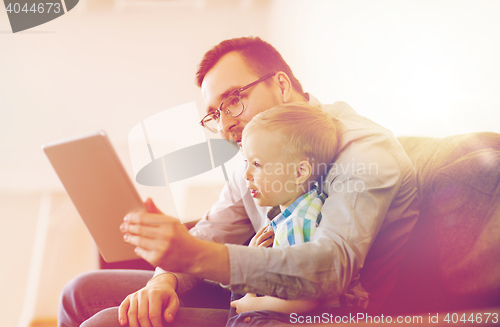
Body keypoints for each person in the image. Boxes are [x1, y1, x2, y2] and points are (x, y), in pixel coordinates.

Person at [58, 37, 420, 327]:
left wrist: (200, 257)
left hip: (318, 313)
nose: (225, 124)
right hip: (259, 295)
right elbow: (213, 229)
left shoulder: (363, 149)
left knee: (106, 322)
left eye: (233, 101)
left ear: (281, 85)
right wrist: (163, 279)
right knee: (79, 291)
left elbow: (331, 267)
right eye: (214, 115)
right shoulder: (255, 154)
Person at [229, 102, 351, 317]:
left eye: (257, 164)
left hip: (302, 318)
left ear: (299, 172)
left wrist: (252, 304)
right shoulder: (310, 204)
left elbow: (305, 299)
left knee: (242, 312)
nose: (246, 174)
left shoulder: (297, 223)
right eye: (246, 162)